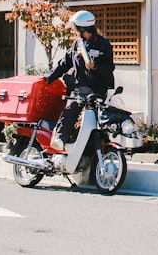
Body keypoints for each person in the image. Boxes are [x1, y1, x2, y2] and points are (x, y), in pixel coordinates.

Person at [45, 10, 115, 151]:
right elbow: (64, 63)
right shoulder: (78, 44)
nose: (75, 30)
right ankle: (59, 138)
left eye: (76, 27)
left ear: (83, 28)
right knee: (70, 109)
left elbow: (109, 67)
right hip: (80, 87)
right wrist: (48, 78)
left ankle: (100, 147)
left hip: (97, 89)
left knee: (96, 120)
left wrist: (95, 67)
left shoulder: (103, 44)